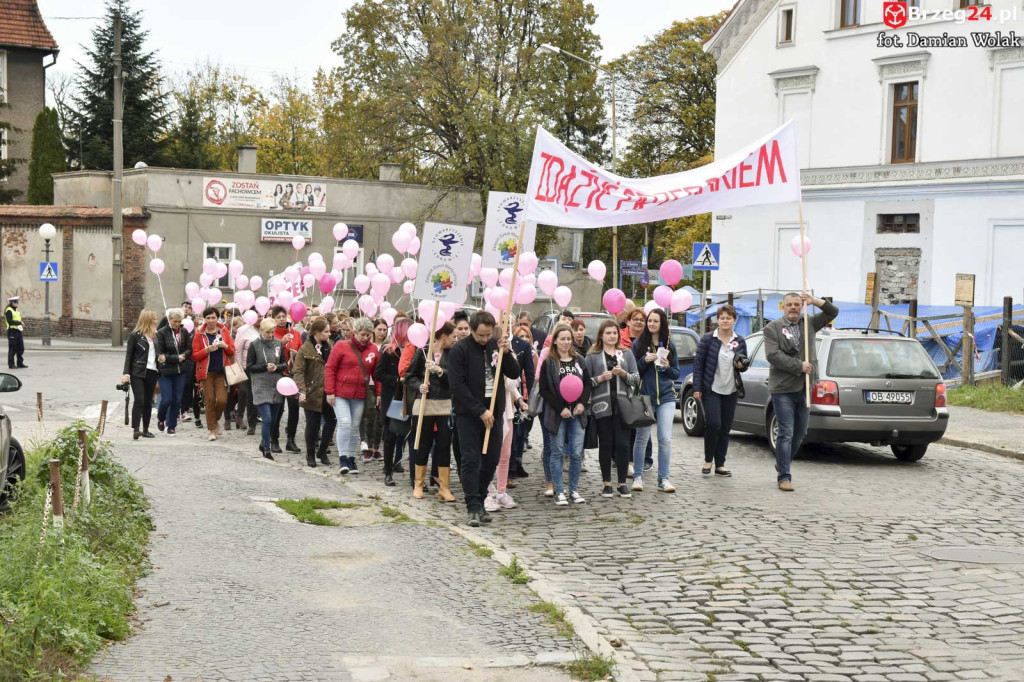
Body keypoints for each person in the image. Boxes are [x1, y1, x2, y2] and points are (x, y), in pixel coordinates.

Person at [448, 311, 520, 527]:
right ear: (472, 330)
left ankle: (480, 501)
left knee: (491, 460)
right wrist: (480, 410)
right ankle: (472, 507)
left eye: (488, 334)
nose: (484, 339)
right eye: (480, 335)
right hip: (470, 414)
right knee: (471, 460)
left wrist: (506, 353)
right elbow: (457, 386)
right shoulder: (459, 350)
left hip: (494, 412)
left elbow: (514, 373)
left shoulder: (494, 347)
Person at [763, 292, 839, 492]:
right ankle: (784, 476)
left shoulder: (810, 324)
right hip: (782, 388)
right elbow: (773, 355)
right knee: (786, 432)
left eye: (797, 304)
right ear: (783, 307)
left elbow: (833, 311)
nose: (794, 307)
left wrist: (815, 301)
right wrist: (799, 366)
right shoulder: (773, 328)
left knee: (800, 432)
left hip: (805, 387)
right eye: (790, 304)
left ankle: (783, 461)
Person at [692, 305, 750, 478]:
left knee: (725, 427)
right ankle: (708, 459)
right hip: (712, 388)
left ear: (734, 320)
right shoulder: (708, 339)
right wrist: (697, 388)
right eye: (722, 317)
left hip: (731, 389)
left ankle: (720, 464)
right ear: (718, 320)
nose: (725, 321)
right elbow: (698, 364)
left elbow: (744, 363)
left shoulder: (739, 340)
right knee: (713, 424)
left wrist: (741, 365)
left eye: (728, 318)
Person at [585, 320, 640, 498]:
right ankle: (607, 483)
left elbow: (636, 379)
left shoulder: (626, 353)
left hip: (623, 406)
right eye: (608, 333)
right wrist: (600, 378)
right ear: (601, 335)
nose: (611, 336)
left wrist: (623, 374)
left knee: (623, 445)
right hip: (602, 406)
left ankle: (622, 483)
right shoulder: (592, 355)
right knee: (606, 444)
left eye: (614, 333)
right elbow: (585, 383)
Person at [539, 323, 592, 506]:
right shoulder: (549, 361)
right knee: (557, 452)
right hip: (557, 414)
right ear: (555, 341)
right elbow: (544, 389)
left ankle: (574, 490)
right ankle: (559, 491)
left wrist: (581, 403)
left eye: (569, 338)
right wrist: (560, 407)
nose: (566, 342)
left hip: (577, 413)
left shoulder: (579, 360)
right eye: (562, 338)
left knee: (576, 453)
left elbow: (587, 384)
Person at [406, 322, 457, 502]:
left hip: (445, 404)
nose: (455, 340)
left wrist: (440, 371)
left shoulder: (453, 353)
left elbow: (456, 379)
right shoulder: (422, 351)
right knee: (422, 443)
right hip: (425, 404)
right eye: (453, 337)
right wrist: (419, 386)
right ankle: (418, 484)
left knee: (444, 445)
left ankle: (444, 487)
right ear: (444, 336)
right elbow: (409, 376)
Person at [631, 308, 679, 493]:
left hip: (666, 397)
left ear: (662, 324)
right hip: (645, 397)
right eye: (649, 320)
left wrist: (666, 367)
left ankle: (664, 478)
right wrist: (644, 360)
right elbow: (633, 372)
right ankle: (637, 476)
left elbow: (675, 373)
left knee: (665, 439)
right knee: (642, 437)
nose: (651, 324)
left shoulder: (669, 345)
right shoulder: (638, 344)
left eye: (655, 321)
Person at [325, 317, 381, 474]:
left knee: (355, 426)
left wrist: (378, 392)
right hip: (341, 393)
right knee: (344, 423)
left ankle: (351, 458)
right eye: (362, 334)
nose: (365, 338)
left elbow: (376, 374)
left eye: (368, 335)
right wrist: (330, 391)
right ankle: (343, 458)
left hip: (360, 394)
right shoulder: (341, 346)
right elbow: (330, 369)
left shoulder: (373, 350)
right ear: (355, 332)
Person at [292, 318, 336, 468]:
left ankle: (322, 451)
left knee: (331, 421)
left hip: (328, 391)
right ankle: (310, 454)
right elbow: (298, 371)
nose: (329, 334)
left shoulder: (329, 346)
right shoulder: (305, 349)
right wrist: (301, 390)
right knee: (313, 425)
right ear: (317, 332)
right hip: (311, 391)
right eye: (326, 331)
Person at [376, 317, 412, 486]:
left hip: (410, 398)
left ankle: (409, 470)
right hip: (393, 399)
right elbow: (378, 374)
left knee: (407, 436)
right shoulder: (388, 351)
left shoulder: (416, 350)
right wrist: (397, 380)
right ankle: (388, 470)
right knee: (390, 435)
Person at [191, 307, 235, 442]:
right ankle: (212, 430)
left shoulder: (224, 331)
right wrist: (207, 350)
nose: (211, 321)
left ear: (217, 318)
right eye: (208, 318)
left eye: (213, 318)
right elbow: (194, 356)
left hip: (221, 371)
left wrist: (225, 346)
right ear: (205, 319)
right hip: (206, 372)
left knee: (222, 400)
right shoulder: (199, 334)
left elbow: (232, 351)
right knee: (209, 400)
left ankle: (214, 422)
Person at [248, 319, 286, 459]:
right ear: (261, 331)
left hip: (276, 385)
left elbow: (284, 363)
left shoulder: (278, 343)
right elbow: (250, 366)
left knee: (274, 419)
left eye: (272, 332)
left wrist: (277, 367)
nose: (270, 335)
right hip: (260, 384)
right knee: (267, 418)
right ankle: (267, 449)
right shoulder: (254, 345)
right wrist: (264, 367)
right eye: (267, 332)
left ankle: (263, 442)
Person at [121, 309, 160, 439]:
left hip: (153, 371)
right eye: (154, 318)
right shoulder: (135, 335)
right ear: (148, 319)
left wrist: (162, 358)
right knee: (139, 400)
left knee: (148, 402)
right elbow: (129, 355)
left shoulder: (156, 335)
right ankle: (136, 429)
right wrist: (126, 373)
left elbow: (159, 354)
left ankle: (145, 429)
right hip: (137, 371)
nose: (156, 320)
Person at [270, 306, 302, 454]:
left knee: (294, 408)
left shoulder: (295, 333)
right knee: (278, 409)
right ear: (274, 319)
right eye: (279, 317)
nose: (282, 319)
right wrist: (281, 343)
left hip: (293, 375)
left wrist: (297, 354)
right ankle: (274, 440)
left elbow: (302, 353)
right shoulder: (271, 334)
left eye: (284, 316)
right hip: (278, 375)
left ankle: (291, 440)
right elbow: (270, 356)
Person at [154, 308, 191, 436]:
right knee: (166, 399)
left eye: (179, 321)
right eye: (174, 321)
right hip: (165, 371)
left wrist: (183, 355)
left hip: (181, 371)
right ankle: (161, 417)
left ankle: (171, 426)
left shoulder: (184, 331)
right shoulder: (161, 333)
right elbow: (160, 354)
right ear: (169, 320)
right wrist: (176, 358)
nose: (177, 324)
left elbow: (188, 349)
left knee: (177, 400)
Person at [359, 317, 390, 462]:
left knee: (380, 418)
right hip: (369, 384)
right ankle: (369, 446)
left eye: (385, 330)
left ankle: (376, 448)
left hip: (383, 385)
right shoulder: (367, 345)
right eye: (379, 329)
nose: (382, 332)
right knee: (370, 415)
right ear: (373, 330)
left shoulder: (388, 345)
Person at [233, 314, 261, 433]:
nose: (260, 318)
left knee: (257, 395)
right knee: (247, 393)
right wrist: (238, 368)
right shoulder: (243, 330)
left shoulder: (266, 327)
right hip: (246, 367)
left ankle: (257, 416)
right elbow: (238, 350)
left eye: (261, 315)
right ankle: (249, 422)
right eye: (257, 315)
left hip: (262, 368)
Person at [4, 297, 25, 369]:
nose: (17, 303)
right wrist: (19, 323)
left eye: (18, 302)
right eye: (16, 302)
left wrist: (21, 323)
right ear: (12, 303)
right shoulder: (9, 311)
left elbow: (18, 319)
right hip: (12, 331)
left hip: (18, 331)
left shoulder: (16, 311)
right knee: (13, 348)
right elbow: (9, 321)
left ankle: (20, 363)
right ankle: (11, 364)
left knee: (21, 348)